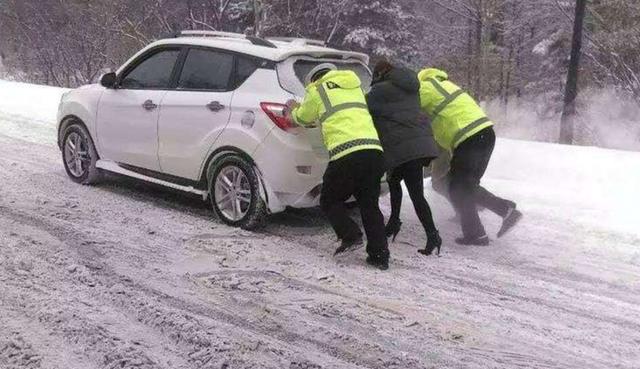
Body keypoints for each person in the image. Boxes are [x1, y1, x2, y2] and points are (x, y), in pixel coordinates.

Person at [286, 63, 390, 270]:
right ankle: (379, 256)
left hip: (346, 152)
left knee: (330, 199)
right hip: (374, 151)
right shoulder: (354, 87)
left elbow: (303, 118)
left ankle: (350, 235)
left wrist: (292, 111)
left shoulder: (317, 89)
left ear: (314, 79)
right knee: (369, 205)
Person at [418, 67, 522, 245]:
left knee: (458, 186)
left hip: (469, 137)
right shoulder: (447, 86)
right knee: (464, 186)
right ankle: (495, 218)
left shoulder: (426, 87)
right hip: (484, 135)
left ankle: (491, 222)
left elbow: (408, 107)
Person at [366, 60, 442, 256]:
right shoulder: (410, 87)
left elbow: (363, 108)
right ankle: (399, 224)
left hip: (402, 147)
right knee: (398, 183)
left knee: (405, 188)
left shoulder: (380, 91)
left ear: (380, 74)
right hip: (418, 143)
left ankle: (427, 234)